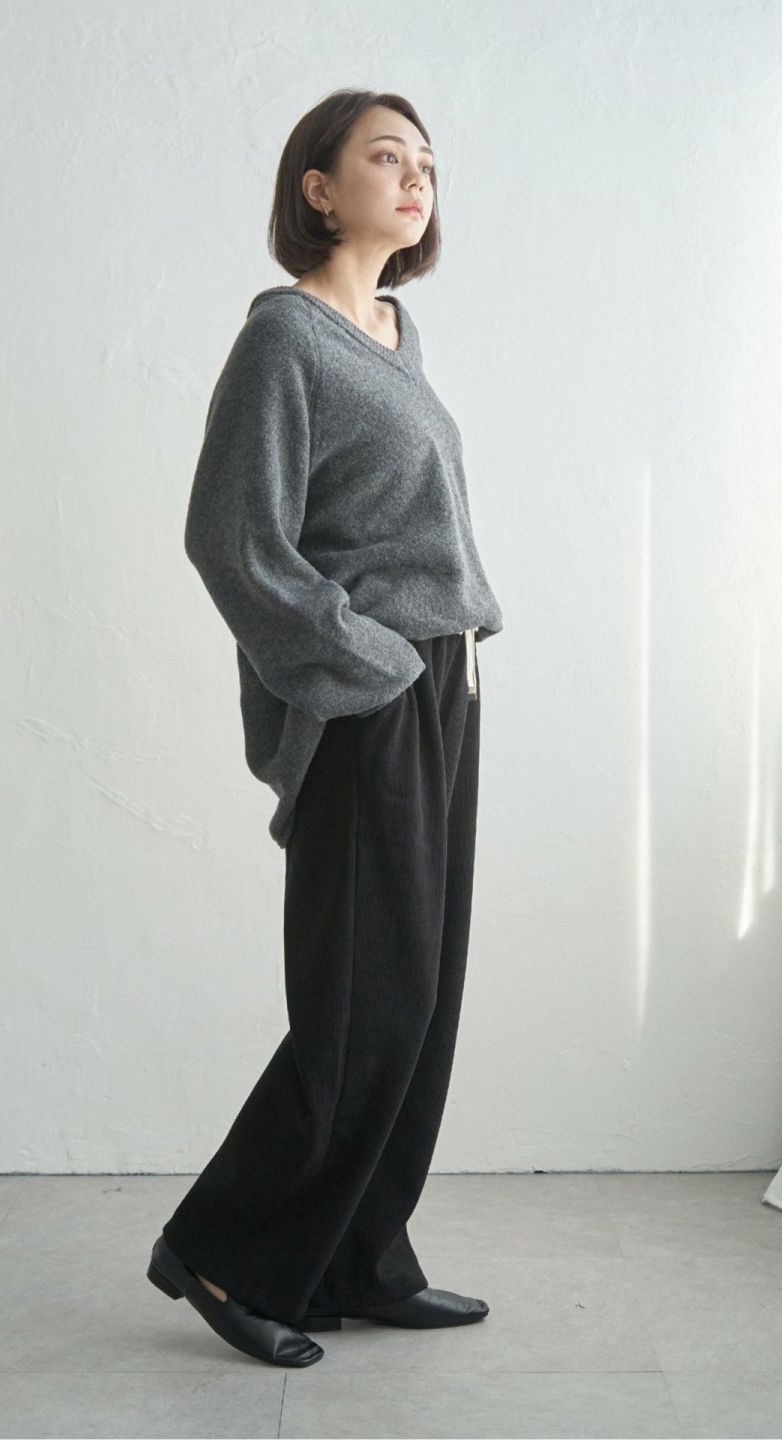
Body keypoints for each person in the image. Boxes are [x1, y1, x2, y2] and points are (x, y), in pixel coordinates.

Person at [147, 88, 504, 1368]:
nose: (415, 180)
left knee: (423, 994)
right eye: (385, 157)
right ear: (318, 186)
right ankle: (221, 1250)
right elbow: (232, 537)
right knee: (364, 998)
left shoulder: (396, 334)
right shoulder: (285, 341)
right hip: (372, 697)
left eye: (427, 164)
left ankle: (360, 1253)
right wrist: (372, 665)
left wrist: (443, 661)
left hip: (443, 686)